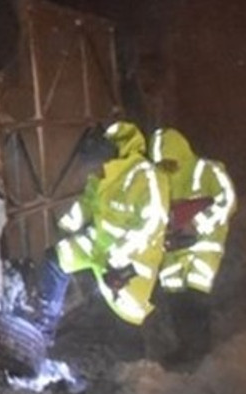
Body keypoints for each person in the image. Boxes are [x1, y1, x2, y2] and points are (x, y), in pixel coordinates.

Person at [31, 121, 170, 340]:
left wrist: (120, 255)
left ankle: (131, 347)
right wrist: (70, 222)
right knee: (55, 259)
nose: (95, 166)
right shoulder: (104, 174)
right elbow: (88, 203)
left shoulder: (146, 175)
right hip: (99, 244)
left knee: (125, 311)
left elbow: (152, 223)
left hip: (131, 256)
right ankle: (42, 330)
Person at [148, 127, 238, 366]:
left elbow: (227, 200)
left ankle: (200, 353)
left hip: (204, 245)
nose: (165, 167)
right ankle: (187, 350)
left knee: (195, 296)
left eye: (168, 161)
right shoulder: (157, 180)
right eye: (160, 163)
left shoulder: (208, 170)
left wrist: (197, 224)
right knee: (176, 299)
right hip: (173, 248)